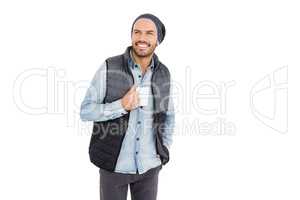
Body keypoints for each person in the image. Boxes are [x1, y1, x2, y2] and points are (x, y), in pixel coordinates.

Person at [80, 13, 175, 200]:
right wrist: (121, 105)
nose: (141, 38)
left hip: (150, 167)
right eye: (137, 32)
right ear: (131, 35)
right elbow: (86, 111)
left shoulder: (163, 73)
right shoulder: (110, 66)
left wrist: (163, 148)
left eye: (149, 33)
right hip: (114, 167)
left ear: (157, 40)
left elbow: (168, 115)